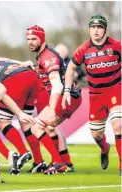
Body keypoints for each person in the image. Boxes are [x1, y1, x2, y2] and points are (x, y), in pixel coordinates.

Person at [62, 15, 121, 175]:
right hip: (95, 95)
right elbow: (71, 68)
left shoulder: (116, 46)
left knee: (118, 124)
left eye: (99, 27)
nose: (96, 30)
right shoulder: (83, 49)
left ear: (105, 29)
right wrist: (67, 90)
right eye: (93, 27)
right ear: (89, 29)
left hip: (115, 90)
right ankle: (104, 148)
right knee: (96, 134)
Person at [26, 25, 82, 173]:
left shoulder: (47, 56)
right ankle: (63, 163)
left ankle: (58, 161)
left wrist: (51, 108)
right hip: (71, 96)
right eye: (28, 39)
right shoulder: (43, 54)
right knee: (50, 128)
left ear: (42, 39)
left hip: (67, 97)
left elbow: (57, 85)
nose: (30, 42)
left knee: (36, 127)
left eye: (34, 39)